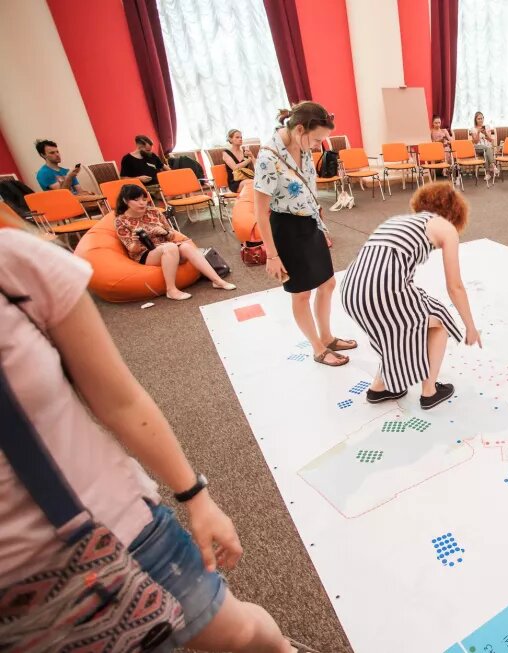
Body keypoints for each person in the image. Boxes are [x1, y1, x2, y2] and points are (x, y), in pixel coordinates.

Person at [0, 217, 309, 652]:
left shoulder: (15, 264)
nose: (145, 201)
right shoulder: (124, 224)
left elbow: (120, 401)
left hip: (111, 529)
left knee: (239, 635)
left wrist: (196, 497)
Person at [341, 183, 482, 410]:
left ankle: (381, 387)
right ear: (455, 212)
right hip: (382, 290)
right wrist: (470, 326)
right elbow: (455, 286)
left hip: (351, 290)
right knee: (440, 318)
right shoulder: (446, 228)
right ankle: (429, 391)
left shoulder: (397, 221)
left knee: (396, 328)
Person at [254, 101, 357, 367]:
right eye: (317, 139)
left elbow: (308, 189)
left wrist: (320, 226)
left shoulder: (302, 147)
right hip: (286, 229)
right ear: (300, 128)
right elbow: (261, 212)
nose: (318, 145)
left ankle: (328, 336)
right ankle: (317, 347)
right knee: (301, 293)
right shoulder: (268, 158)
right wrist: (271, 255)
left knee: (327, 283)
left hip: (309, 223)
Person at [113, 183, 236, 300]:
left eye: (144, 199)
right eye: (136, 200)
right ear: (125, 201)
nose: (142, 203)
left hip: (166, 246)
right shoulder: (121, 221)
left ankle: (217, 281)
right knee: (170, 247)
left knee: (186, 247)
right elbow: (132, 250)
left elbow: (172, 235)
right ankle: (171, 290)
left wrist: (164, 232)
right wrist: (136, 241)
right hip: (145, 254)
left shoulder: (154, 212)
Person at [222, 129, 255, 193]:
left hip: (248, 178)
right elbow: (235, 167)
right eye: (237, 137)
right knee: (252, 183)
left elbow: (256, 165)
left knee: (259, 183)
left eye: (241, 137)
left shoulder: (245, 151)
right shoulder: (226, 153)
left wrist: (252, 156)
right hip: (235, 182)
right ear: (230, 139)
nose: (240, 139)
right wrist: (249, 160)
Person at [470, 112, 500, 178]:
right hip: (477, 148)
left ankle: (488, 174)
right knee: (486, 148)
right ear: (475, 120)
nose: (481, 120)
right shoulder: (473, 129)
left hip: (486, 148)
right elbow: (475, 141)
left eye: (482, 118)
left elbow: (490, 140)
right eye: (479, 119)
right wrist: (478, 132)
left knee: (486, 152)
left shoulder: (487, 127)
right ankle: (493, 166)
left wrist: (485, 133)